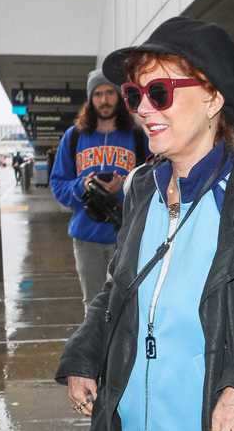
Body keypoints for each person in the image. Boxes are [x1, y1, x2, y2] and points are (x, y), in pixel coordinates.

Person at [55, 17, 234, 431]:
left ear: (212, 99)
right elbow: (119, 288)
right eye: (135, 94)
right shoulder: (141, 189)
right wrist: (84, 352)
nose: (143, 109)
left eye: (159, 92)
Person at [50, 69, 147, 311]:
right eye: (98, 94)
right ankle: (96, 350)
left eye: (110, 93)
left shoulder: (137, 136)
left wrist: (123, 186)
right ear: (90, 99)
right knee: (93, 305)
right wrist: (82, 186)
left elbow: (155, 180)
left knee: (125, 304)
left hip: (127, 236)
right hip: (87, 238)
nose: (104, 100)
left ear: (120, 96)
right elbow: (58, 184)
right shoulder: (74, 137)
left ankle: (119, 349)